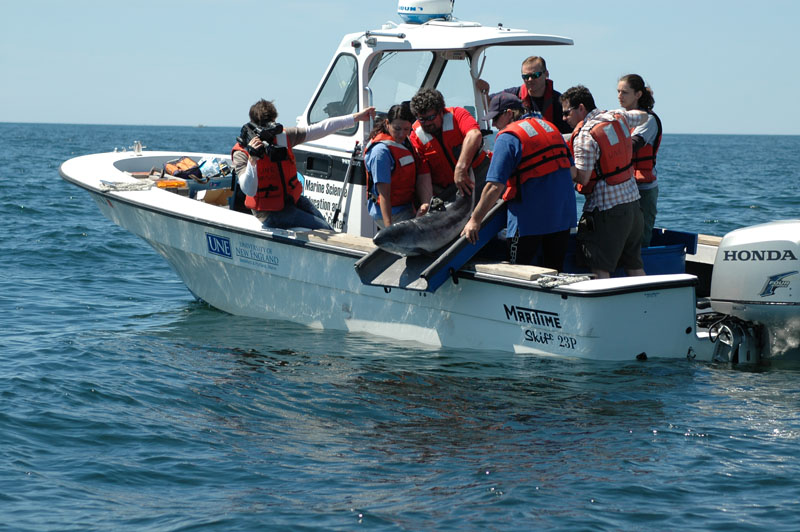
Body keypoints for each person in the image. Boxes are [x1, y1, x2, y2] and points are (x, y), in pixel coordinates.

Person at [461, 93, 576, 271]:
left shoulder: (508, 137)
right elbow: (572, 172)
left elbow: (494, 186)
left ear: (509, 113)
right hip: (562, 217)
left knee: (518, 270)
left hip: (528, 221)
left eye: (496, 118)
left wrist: (475, 220)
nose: (494, 125)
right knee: (555, 271)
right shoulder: (551, 128)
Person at [232, 99, 375, 230]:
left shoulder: (282, 137)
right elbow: (249, 190)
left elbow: (320, 128)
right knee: (322, 229)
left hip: (290, 200)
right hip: (268, 212)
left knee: (327, 227)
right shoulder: (242, 152)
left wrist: (357, 117)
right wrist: (253, 160)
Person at [561, 85, 650, 278]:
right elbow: (643, 117)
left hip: (607, 210)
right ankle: (646, 298)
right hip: (634, 206)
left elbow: (583, 177)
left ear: (581, 108)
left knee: (600, 268)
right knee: (634, 265)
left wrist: (560, 166)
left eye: (567, 113)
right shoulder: (618, 116)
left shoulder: (585, 135)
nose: (564, 118)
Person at [408, 88, 490, 200]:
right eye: (422, 119)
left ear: (441, 112)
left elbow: (474, 135)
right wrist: (426, 202)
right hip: (449, 191)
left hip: (480, 176)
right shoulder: (415, 137)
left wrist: (461, 168)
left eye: (431, 118)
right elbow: (424, 174)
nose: (427, 123)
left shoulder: (458, 114)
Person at [364, 102, 432, 227]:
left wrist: (425, 202)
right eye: (397, 129)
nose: (401, 134)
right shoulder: (381, 153)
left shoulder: (405, 142)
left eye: (406, 129)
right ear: (387, 124)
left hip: (407, 205)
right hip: (392, 213)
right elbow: (384, 194)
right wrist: (389, 229)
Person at [617, 74, 662, 247]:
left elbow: (633, 145)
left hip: (644, 189)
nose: (620, 96)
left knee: (640, 237)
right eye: (618, 91)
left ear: (638, 94)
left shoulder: (648, 120)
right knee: (622, 235)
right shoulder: (619, 118)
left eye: (625, 92)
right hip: (623, 187)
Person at [476, 56, 572, 134]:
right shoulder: (513, 95)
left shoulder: (559, 102)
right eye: (525, 76)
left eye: (535, 75)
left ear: (546, 74)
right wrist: (485, 92)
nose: (530, 80)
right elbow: (488, 105)